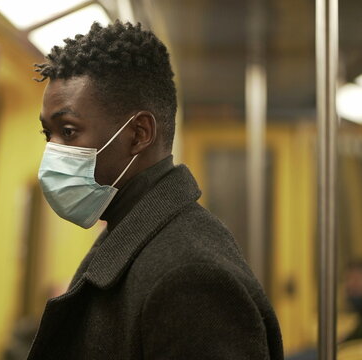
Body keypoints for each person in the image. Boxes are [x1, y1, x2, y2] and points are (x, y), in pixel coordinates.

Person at [30, 21, 284, 359]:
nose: (53, 152)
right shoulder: (135, 238)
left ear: (138, 134)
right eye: (49, 134)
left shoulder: (189, 279)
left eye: (70, 131)